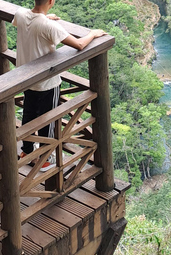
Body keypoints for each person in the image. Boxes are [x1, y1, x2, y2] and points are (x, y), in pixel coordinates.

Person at [13, 0, 106, 164]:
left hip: (26, 78)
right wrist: (93, 34)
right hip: (46, 81)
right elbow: (79, 44)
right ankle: (46, 159)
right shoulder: (49, 26)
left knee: (29, 114)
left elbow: (30, 23)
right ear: (51, 1)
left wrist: (46, 18)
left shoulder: (21, 14)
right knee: (47, 120)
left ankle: (26, 152)